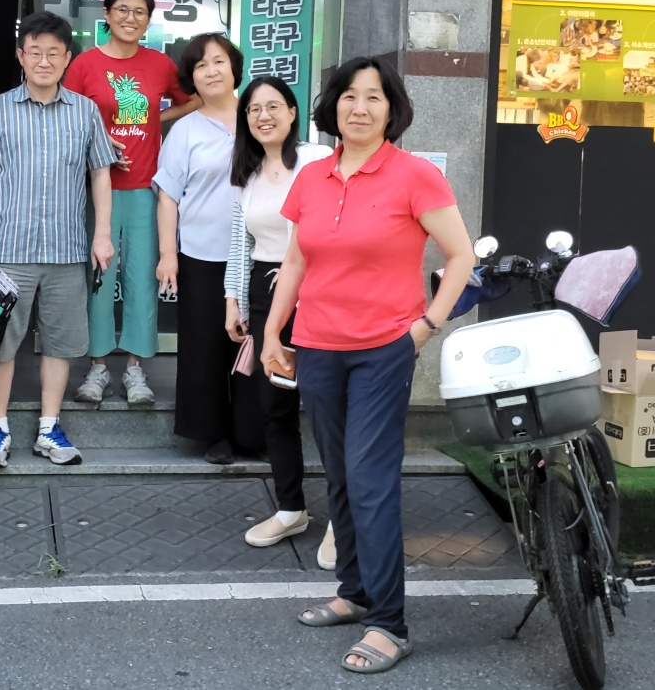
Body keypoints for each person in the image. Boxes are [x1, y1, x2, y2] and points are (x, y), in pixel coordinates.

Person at [261, 56, 474, 674]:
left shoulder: (415, 175)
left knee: (370, 478)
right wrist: (274, 329)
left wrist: (427, 325)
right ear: (333, 105)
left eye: (374, 97)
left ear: (392, 109)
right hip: (318, 345)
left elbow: (460, 255)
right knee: (340, 474)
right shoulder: (313, 176)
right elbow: (296, 262)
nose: (360, 107)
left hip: (385, 348)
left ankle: (389, 623)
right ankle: (354, 592)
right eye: (349, 95)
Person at [0, 13, 116, 467]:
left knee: (60, 344)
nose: (44, 61)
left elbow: (100, 174)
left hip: (67, 250)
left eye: (53, 53)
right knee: (1, 344)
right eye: (35, 52)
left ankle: (50, 428)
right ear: (21, 56)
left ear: (67, 59)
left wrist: (102, 235)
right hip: (9, 250)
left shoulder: (85, 112)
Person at [63, 0, 200, 405]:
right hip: (95, 189)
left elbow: (194, 100)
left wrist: (158, 121)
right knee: (98, 280)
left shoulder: (159, 64)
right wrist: (99, 141)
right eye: (122, 9)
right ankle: (98, 366)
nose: (130, 17)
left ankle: (136, 368)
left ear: (148, 20)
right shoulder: (85, 64)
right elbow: (67, 118)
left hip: (145, 189)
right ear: (107, 14)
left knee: (142, 278)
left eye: (140, 11)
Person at [223, 76, 333, 553]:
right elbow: (240, 243)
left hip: (319, 294)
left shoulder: (318, 160)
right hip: (266, 294)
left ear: (292, 112)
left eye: (273, 106)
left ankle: (344, 520)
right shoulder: (246, 173)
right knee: (276, 408)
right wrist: (233, 299)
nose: (263, 116)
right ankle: (291, 509)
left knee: (329, 409)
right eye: (253, 110)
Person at [156, 33, 252, 465]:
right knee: (205, 347)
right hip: (202, 254)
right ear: (191, 78)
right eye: (200, 65)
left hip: (258, 255)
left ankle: (252, 430)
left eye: (218, 62)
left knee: (252, 343)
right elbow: (168, 196)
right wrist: (168, 255)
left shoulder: (258, 116)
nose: (211, 71)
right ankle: (212, 433)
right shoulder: (185, 130)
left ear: (234, 68)